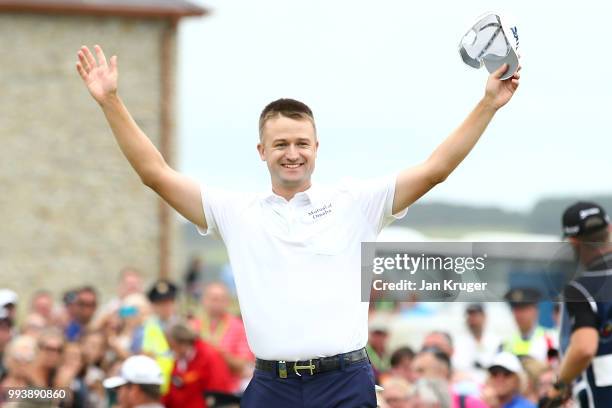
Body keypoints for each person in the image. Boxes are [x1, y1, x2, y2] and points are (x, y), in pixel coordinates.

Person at [75, 43, 520, 406]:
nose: (292, 153)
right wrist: (111, 101)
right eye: (281, 144)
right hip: (272, 387)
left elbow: (434, 169)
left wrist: (488, 104)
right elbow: (156, 174)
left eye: (302, 143)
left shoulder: (356, 202)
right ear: (261, 150)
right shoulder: (235, 211)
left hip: (344, 382)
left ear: (316, 147)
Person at [541, 201, 612, 408]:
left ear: (573, 242)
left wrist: (560, 385)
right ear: (609, 229)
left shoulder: (581, 290)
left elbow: (584, 348)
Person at [193, 281, 254, 393]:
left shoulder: (238, 327)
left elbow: (243, 366)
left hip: (229, 389)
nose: (216, 303)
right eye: (213, 298)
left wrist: (217, 352)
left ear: (227, 302)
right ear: (204, 300)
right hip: (198, 387)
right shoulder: (194, 326)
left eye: (221, 299)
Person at [163, 322, 233, 408]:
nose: (171, 350)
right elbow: (175, 389)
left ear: (183, 342)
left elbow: (218, 393)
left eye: (172, 346)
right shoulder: (180, 360)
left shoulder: (208, 356)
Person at [502, 288, 555, 362]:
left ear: (535, 311)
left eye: (523, 309)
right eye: (516, 309)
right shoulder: (505, 344)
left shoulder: (551, 339)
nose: (519, 315)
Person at [454, 303, 502, 384]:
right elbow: (458, 369)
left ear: (484, 317)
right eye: (470, 316)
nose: (472, 320)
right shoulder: (459, 343)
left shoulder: (496, 342)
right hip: (466, 385)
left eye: (476, 315)